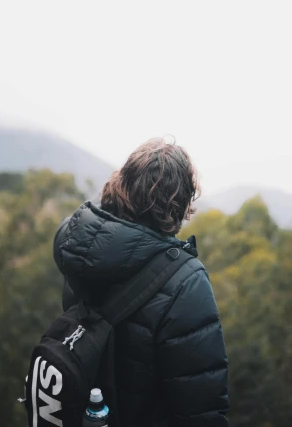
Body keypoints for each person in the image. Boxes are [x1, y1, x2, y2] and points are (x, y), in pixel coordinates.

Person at [53, 137, 230, 427]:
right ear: (180, 202)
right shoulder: (186, 281)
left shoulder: (76, 246)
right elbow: (201, 408)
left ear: (122, 184)